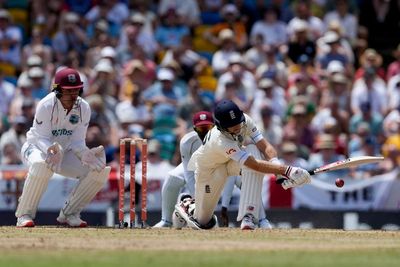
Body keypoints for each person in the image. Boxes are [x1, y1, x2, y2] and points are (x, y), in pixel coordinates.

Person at [174, 100, 311, 230]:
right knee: (203, 221)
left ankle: (248, 215)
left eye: (239, 123)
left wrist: (278, 170)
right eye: (233, 128)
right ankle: (187, 204)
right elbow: (254, 165)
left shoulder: (245, 120)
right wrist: (288, 170)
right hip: (210, 171)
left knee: (254, 150)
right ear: (222, 127)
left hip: (231, 162)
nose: (239, 128)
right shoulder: (220, 140)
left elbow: (265, 146)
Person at [15, 68, 111, 228]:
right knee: (41, 166)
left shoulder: (84, 108)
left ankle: (70, 213)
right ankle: (24, 215)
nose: (73, 96)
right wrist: (51, 150)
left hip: (64, 152)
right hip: (36, 148)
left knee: (99, 170)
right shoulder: (46, 105)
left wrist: (84, 153)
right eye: (68, 91)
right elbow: (40, 137)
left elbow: (77, 141)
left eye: (76, 91)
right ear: (57, 90)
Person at [153, 111, 214, 228]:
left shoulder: (222, 139)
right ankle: (166, 220)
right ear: (195, 129)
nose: (205, 132)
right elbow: (188, 171)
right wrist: (196, 199)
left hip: (219, 166)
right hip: (195, 165)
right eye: (201, 129)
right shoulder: (187, 142)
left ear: (214, 127)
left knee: (241, 178)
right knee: (173, 177)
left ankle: (255, 217)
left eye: (208, 128)